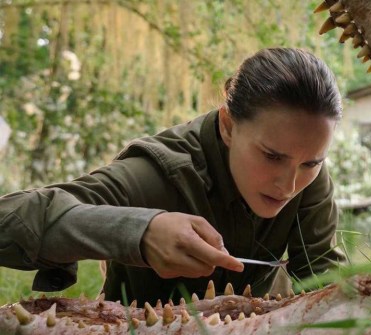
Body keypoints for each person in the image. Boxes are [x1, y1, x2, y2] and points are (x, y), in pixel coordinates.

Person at [0, 47, 345, 305]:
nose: (289, 184)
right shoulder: (158, 173)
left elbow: (324, 284)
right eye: (272, 157)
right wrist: (139, 233)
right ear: (228, 125)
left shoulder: (307, 173)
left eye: (311, 163)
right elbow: (8, 219)